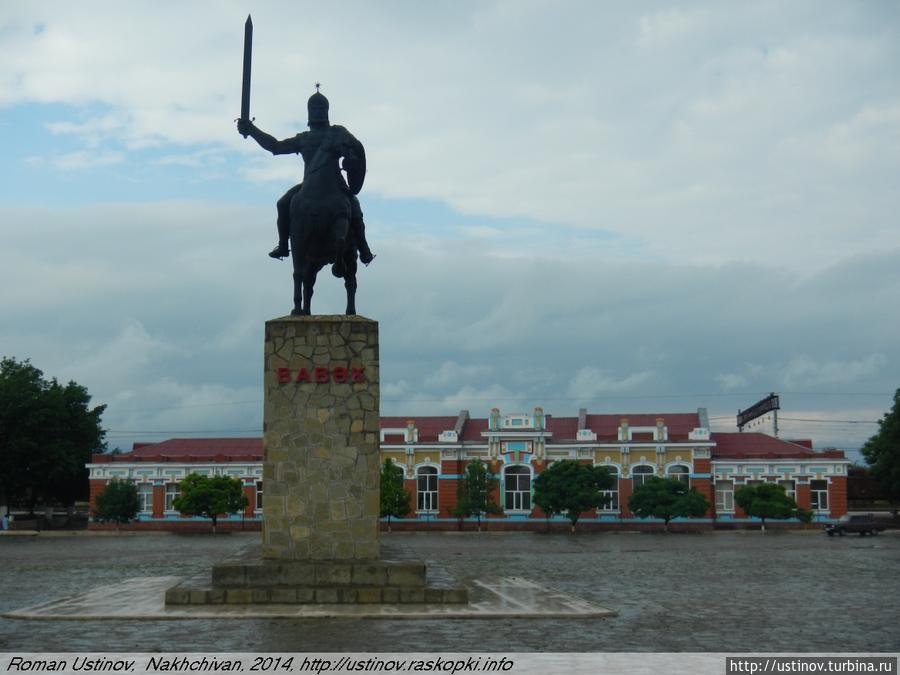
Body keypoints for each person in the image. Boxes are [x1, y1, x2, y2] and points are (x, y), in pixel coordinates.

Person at [237, 89, 375, 265]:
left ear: (327, 111)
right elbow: (275, 147)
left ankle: (363, 248)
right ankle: (282, 245)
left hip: (336, 185)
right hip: (308, 184)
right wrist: (252, 130)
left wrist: (352, 161)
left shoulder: (338, 133)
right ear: (309, 111)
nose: (318, 111)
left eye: (322, 107)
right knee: (282, 204)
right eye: (314, 107)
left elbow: (355, 150)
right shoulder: (303, 139)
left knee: (354, 207)